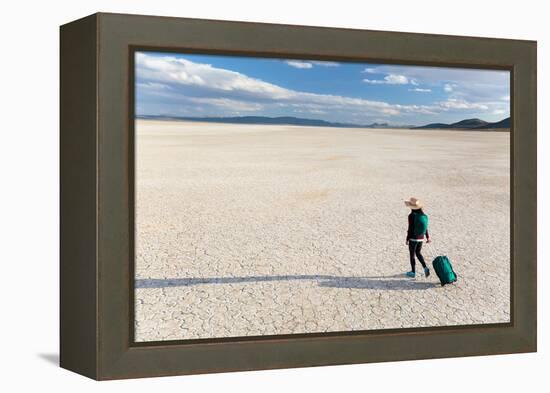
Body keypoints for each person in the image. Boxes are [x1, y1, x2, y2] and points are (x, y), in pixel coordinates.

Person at [404, 197, 431, 278]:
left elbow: (410, 228)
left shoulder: (411, 216)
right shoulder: (424, 215)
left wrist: (407, 239)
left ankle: (413, 272)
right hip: (421, 238)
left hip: (413, 238)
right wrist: (428, 237)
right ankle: (425, 267)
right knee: (418, 253)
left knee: (412, 255)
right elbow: (425, 227)